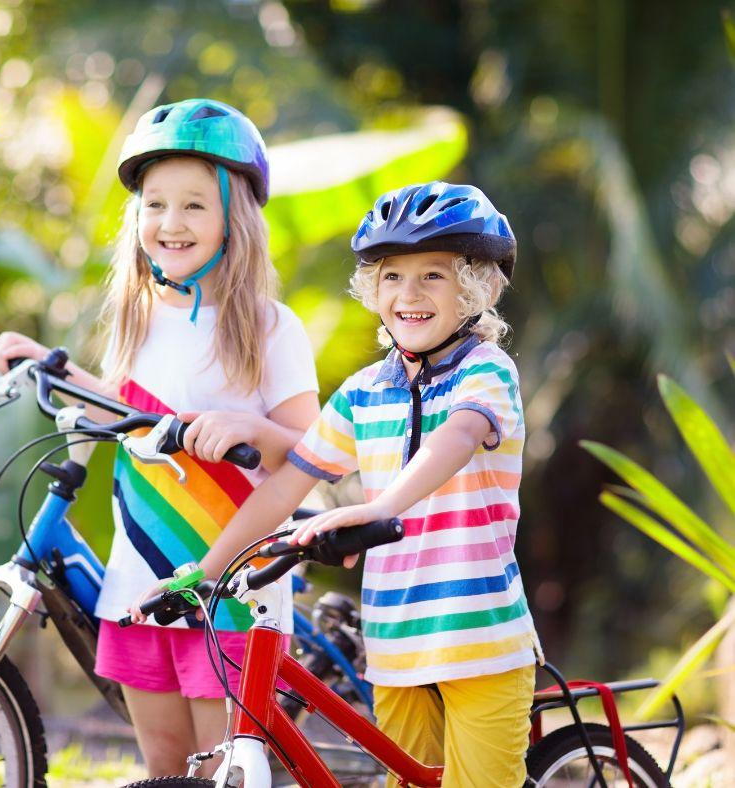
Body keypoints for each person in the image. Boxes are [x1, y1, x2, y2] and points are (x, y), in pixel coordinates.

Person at [0, 98, 319, 778]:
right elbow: (124, 411)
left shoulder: (269, 325)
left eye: (195, 205)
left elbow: (313, 448)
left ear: (237, 217)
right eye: (156, 203)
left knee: (217, 769)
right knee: (165, 767)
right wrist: (49, 364)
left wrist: (252, 428)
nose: (171, 222)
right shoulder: (137, 319)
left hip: (229, 585)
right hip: (139, 584)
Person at [184, 181, 543, 788]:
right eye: (392, 276)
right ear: (372, 289)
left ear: (477, 288)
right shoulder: (362, 392)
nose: (409, 294)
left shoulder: (488, 371)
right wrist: (205, 572)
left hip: (481, 639)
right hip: (395, 645)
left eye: (434, 275)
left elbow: (455, 439)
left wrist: (377, 507)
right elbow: (285, 485)